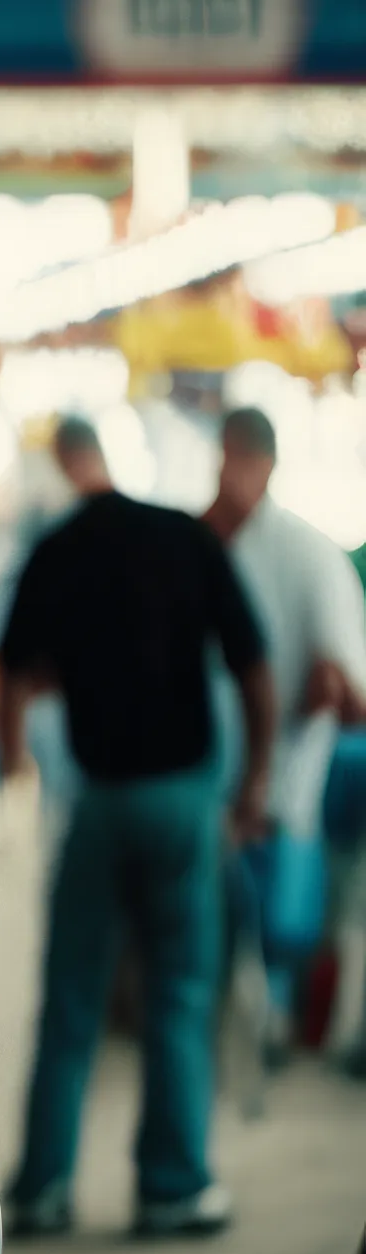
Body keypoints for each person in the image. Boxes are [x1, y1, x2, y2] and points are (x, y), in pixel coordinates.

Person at [0, 414, 272, 1239]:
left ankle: (44, 1188)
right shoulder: (183, 540)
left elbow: (10, 676)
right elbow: (253, 664)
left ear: (63, 463)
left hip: (99, 800)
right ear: (111, 458)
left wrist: (16, 766)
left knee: (72, 996)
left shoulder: (58, 549)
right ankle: (172, 1186)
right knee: (180, 993)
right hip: (184, 798)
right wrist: (253, 781)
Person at [202, 406, 366, 1061]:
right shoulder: (204, 543)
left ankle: (282, 1015)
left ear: (261, 463)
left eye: (239, 457)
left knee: (284, 922)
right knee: (225, 929)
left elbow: (349, 689)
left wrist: (323, 692)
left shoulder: (308, 553)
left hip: (286, 780)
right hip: (213, 777)